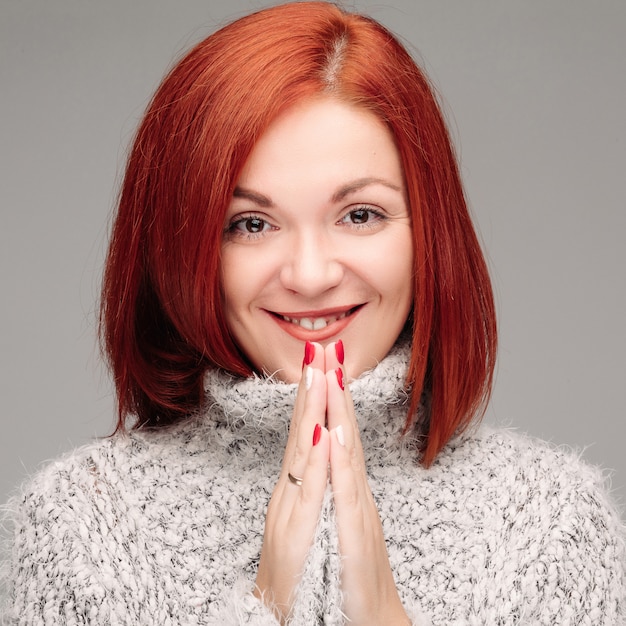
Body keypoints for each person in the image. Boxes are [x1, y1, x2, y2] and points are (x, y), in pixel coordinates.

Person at [1, 2, 624, 624]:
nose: (310, 275)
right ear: (181, 247)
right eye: (251, 224)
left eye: (360, 215)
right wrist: (264, 606)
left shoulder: (551, 528)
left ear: (429, 231)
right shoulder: (80, 536)